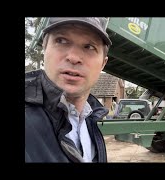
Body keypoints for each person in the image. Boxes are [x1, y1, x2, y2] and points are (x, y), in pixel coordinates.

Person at [25, 17, 112, 162]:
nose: (73, 57)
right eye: (61, 41)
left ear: (103, 63)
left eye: (89, 47)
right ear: (44, 49)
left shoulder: (91, 117)